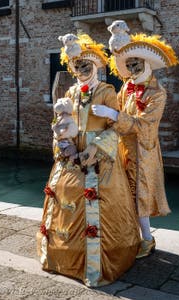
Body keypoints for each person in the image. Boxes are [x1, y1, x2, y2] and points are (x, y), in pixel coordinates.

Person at [37, 33, 140, 287]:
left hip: (99, 158)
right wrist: (65, 146)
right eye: (76, 66)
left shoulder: (107, 91)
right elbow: (60, 123)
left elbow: (115, 128)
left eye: (86, 65)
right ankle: (60, 256)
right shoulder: (70, 92)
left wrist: (94, 147)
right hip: (73, 156)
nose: (81, 70)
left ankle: (94, 264)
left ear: (96, 66)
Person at [92, 21, 179, 259]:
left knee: (139, 194)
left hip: (143, 150)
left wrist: (113, 115)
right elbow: (118, 108)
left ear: (146, 63)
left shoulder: (158, 93)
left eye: (135, 63)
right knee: (120, 192)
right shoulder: (128, 86)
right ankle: (128, 236)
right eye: (129, 64)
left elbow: (144, 125)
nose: (131, 68)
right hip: (122, 147)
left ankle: (148, 241)